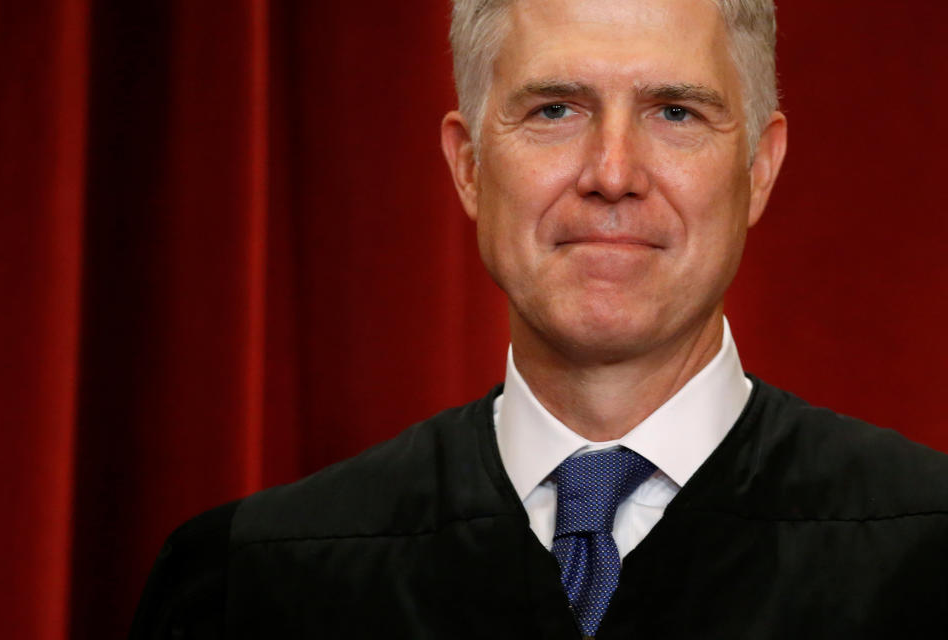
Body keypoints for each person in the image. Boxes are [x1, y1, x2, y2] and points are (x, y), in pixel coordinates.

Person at [130, 0, 948, 637]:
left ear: (759, 170)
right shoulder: (257, 588)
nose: (613, 173)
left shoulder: (925, 562)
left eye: (676, 112)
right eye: (556, 109)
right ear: (469, 167)